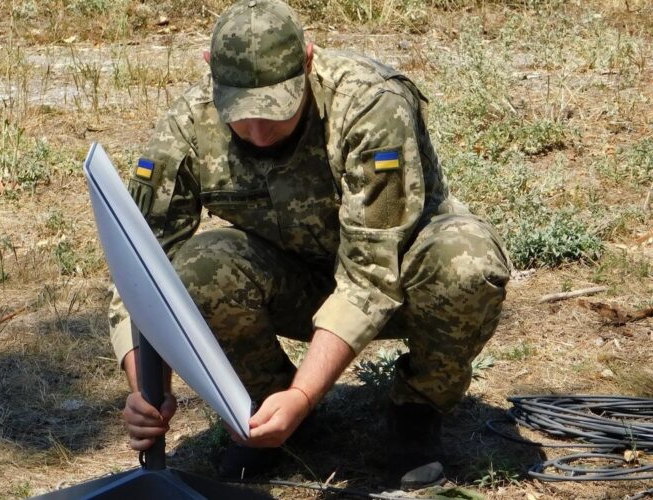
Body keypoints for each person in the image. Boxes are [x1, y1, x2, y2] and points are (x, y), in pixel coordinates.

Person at [109, 0, 510, 489]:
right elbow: (140, 268)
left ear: (308, 61)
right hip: (296, 283)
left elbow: (369, 273)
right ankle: (264, 408)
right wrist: (145, 389)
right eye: (240, 112)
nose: (257, 132)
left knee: (465, 262)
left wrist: (306, 393)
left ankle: (416, 410)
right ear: (210, 70)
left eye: (274, 109)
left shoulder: (369, 104)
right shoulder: (186, 126)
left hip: (403, 280)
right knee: (197, 270)